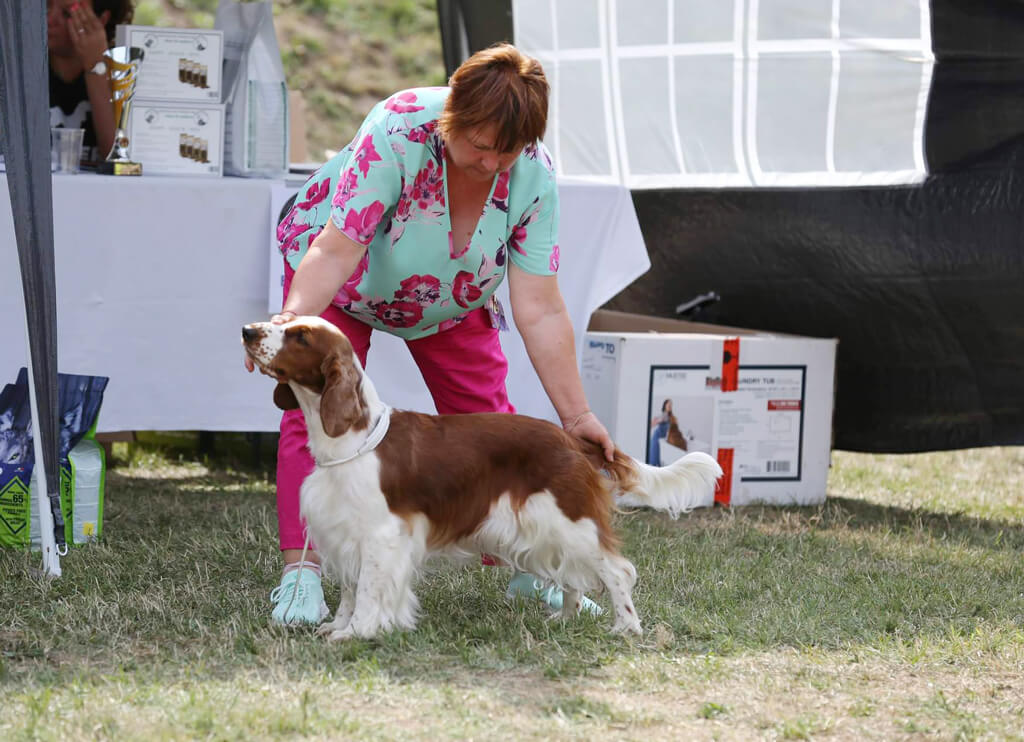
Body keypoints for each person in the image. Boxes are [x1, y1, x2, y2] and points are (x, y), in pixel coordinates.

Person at [248, 43, 616, 627]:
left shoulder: (534, 179)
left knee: (486, 418)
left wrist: (576, 418)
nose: (494, 164)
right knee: (316, 410)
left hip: (449, 297)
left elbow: (541, 309)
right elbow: (337, 250)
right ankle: (302, 574)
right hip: (345, 282)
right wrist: (287, 327)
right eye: (480, 145)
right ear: (453, 116)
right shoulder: (397, 132)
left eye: (510, 151)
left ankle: (526, 567)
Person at [47, 0, 134, 165]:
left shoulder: (124, 73)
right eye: (45, 7)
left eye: (67, 13)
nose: (50, 19)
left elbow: (118, 157)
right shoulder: (15, 70)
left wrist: (95, 65)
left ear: (101, 19)